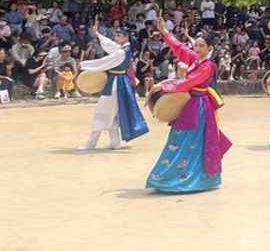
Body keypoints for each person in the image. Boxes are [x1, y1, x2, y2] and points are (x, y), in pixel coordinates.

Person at [146, 16, 232, 193]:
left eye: (202, 46)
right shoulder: (196, 59)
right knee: (181, 140)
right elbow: (179, 47)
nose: (197, 48)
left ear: (210, 48)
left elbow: (188, 83)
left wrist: (164, 85)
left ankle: (189, 179)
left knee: (188, 141)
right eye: (197, 44)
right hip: (190, 104)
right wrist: (164, 32)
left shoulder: (207, 65)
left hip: (199, 107)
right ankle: (172, 176)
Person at [77, 21, 149, 150]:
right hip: (119, 82)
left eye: (118, 36)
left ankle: (91, 142)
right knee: (112, 113)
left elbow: (105, 62)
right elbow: (110, 46)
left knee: (102, 111)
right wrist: (98, 33)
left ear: (125, 37)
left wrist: (84, 65)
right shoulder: (123, 49)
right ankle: (115, 142)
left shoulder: (121, 52)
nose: (116, 38)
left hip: (116, 83)